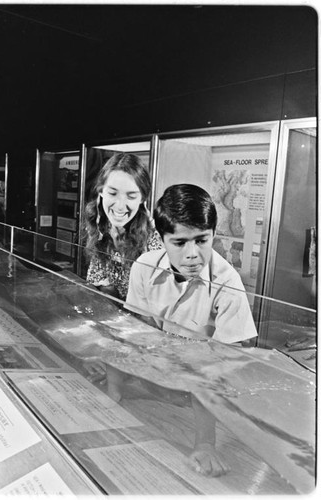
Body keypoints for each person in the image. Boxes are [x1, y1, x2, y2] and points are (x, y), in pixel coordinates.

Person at [122, 183, 258, 477]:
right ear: (161, 239)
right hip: (156, 381)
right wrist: (115, 395)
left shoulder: (229, 285)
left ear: (213, 236)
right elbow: (134, 336)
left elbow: (217, 370)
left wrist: (206, 443)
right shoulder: (143, 268)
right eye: (180, 242)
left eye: (202, 240)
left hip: (204, 395)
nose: (193, 254)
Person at [84, 152, 163, 301]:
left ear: (142, 199)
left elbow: (158, 300)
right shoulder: (100, 227)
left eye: (131, 196)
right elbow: (97, 280)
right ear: (101, 191)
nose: (120, 206)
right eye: (113, 193)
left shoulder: (154, 239)